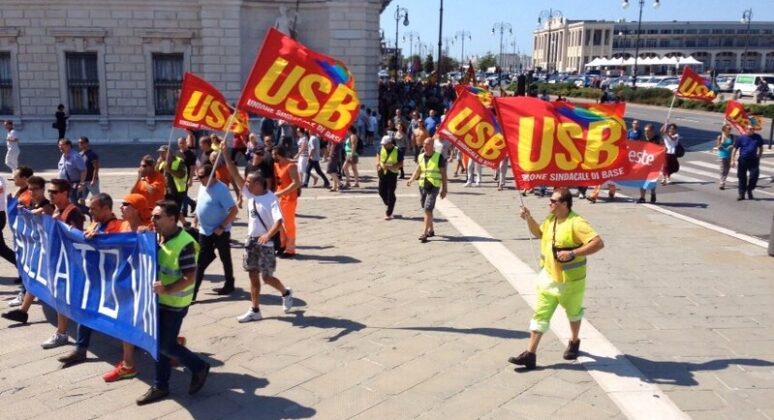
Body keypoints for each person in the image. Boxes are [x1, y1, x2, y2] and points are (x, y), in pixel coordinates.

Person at [510, 188, 604, 370]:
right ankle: (530, 354)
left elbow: (598, 243)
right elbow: (540, 234)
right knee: (540, 314)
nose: (549, 203)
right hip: (548, 277)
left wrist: (573, 253)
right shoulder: (551, 219)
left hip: (571, 281)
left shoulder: (577, 223)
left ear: (565, 204)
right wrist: (529, 219)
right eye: (550, 200)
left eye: (553, 201)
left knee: (574, 313)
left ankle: (574, 341)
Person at [136, 200, 209, 405]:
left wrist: (167, 289)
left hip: (174, 304)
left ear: (172, 219)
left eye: (157, 216)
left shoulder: (184, 244)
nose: (153, 219)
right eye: (152, 216)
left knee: (166, 345)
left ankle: (199, 367)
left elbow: (190, 277)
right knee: (159, 344)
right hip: (157, 300)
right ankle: (160, 385)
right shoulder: (157, 236)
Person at [222, 147, 294, 322]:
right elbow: (235, 174)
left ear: (258, 184)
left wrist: (268, 235)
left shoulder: (271, 199)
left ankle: (285, 292)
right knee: (252, 276)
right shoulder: (250, 194)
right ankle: (255, 310)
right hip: (251, 241)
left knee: (267, 278)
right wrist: (225, 154)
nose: (245, 184)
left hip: (265, 243)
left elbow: (279, 221)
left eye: (248, 182)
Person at [56, 193, 125, 367]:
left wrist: (99, 238)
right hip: (95, 279)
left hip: (112, 281)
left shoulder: (118, 226)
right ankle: (80, 349)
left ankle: (138, 344)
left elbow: (119, 247)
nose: (90, 211)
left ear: (106, 208)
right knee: (85, 310)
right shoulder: (96, 223)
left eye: (94, 208)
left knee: (121, 317)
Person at [2, 175, 54, 324]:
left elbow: (52, 220)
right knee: (33, 276)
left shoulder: (46, 206)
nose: (32, 192)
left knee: (45, 280)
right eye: (30, 189)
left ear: (42, 189)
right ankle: (23, 311)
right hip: (38, 249)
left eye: (35, 189)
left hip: (49, 250)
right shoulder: (32, 204)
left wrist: (40, 213)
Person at [41, 178, 85, 349]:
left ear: (65, 193)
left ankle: (62, 334)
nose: (50, 195)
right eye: (49, 191)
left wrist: (58, 221)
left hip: (70, 263)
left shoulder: (73, 212)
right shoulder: (56, 209)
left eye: (54, 192)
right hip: (59, 260)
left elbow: (76, 235)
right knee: (62, 297)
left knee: (65, 297)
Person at [192, 164, 238, 299]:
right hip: (204, 230)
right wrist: (195, 220)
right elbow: (200, 204)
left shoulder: (221, 189)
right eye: (198, 176)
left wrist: (222, 226)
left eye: (201, 177)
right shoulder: (202, 186)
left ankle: (229, 284)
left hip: (219, 231)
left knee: (225, 258)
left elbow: (234, 210)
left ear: (212, 176)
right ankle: (193, 293)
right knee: (200, 261)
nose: (199, 179)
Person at [407, 137, 448, 243]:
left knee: (427, 208)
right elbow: (418, 170)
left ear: (433, 146)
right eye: (424, 144)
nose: (425, 146)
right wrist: (411, 179)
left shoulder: (439, 157)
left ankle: (424, 233)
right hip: (422, 185)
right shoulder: (420, 156)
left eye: (427, 144)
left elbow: (444, 174)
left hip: (434, 186)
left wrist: (444, 189)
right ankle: (431, 230)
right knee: (426, 209)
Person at [272, 146, 301, 257]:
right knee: (278, 223)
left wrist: (281, 192)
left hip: (289, 199)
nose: (273, 156)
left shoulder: (291, 165)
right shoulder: (276, 165)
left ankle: (290, 249)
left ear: (280, 155)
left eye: (275, 154)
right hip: (278, 198)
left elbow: (296, 183)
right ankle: (283, 244)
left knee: (289, 224)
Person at [731, 128, 764, 200]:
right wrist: (732, 160)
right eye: (749, 129)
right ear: (746, 129)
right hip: (743, 160)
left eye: (752, 129)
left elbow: (761, 147)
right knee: (742, 177)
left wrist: (759, 156)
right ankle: (741, 194)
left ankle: (749, 189)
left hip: (754, 160)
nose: (751, 130)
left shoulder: (758, 137)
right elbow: (735, 148)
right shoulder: (741, 138)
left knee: (754, 176)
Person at [376, 135, 403, 220]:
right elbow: (378, 155)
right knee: (381, 191)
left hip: (392, 174)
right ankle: (390, 203)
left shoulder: (397, 151)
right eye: (383, 144)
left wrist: (392, 166)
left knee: (390, 192)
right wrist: (378, 165)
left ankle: (389, 213)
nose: (383, 145)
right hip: (382, 173)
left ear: (390, 143)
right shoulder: (381, 148)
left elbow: (401, 163)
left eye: (385, 144)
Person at [156, 145, 187, 212]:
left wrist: (169, 170)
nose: (160, 154)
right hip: (166, 190)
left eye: (163, 152)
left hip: (177, 190)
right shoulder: (162, 162)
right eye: (160, 152)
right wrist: (158, 163)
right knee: (167, 210)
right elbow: (156, 173)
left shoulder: (179, 161)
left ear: (169, 152)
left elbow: (181, 175)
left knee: (175, 210)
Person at [636, 123, 662, 203]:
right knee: (642, 180)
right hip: (644, 162)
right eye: (645, 131)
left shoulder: (657, 139)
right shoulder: (642, 138)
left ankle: (653, 193)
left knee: (652, 180)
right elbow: (638, 148)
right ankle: (642, 197)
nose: (645, 133)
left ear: (652, 131)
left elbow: (663, 148)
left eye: (647, 131)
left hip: (654, 163)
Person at [57, 138, 87, 204]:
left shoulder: (75, 156)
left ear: (68, 146)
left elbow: (83, 170)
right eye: (59, 145)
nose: (60, 147)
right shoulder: (63, 155)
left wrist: (81, 184)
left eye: (62, 145)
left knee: (74, 204)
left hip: (73, 185)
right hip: (64, 185)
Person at [77, 136, 100, 204]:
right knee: (81, 198)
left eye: (82, 143)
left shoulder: (92, 154)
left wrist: (94, 179)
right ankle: (83, 210)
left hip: (91, 180)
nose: (80, 144)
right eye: (79, 143)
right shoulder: (79, 155)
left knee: (97, 198)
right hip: (83, 181)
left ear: (87, 143)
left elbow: (96, 167)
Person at [714, 125, 735, 191]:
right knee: (722, 169)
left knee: (727, 169)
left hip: (729, 155)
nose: (730, 130)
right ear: (725, 129)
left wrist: (731, 146)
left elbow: (733, 144)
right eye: (728, 129)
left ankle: (723, 179)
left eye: (730, 129)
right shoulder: (720, 137)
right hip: (722, 155)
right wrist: (721, 144)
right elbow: (718, 147)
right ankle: (722, 183)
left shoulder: (731, 136)